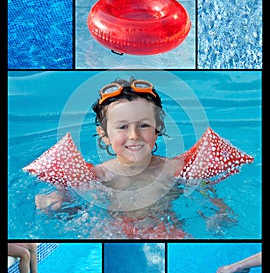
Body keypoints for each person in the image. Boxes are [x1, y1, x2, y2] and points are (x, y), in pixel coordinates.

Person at [35, 77, 236, 238]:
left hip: (165, 228)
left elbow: (204, 189)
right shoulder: (98, 174)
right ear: (104, 135)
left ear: (158, 130)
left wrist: (219, 211)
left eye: (144, 125)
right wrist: (55, 200)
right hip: (113, 229)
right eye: (123, 127)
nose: (134, 135)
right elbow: (73, 200)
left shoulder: (174, 169)